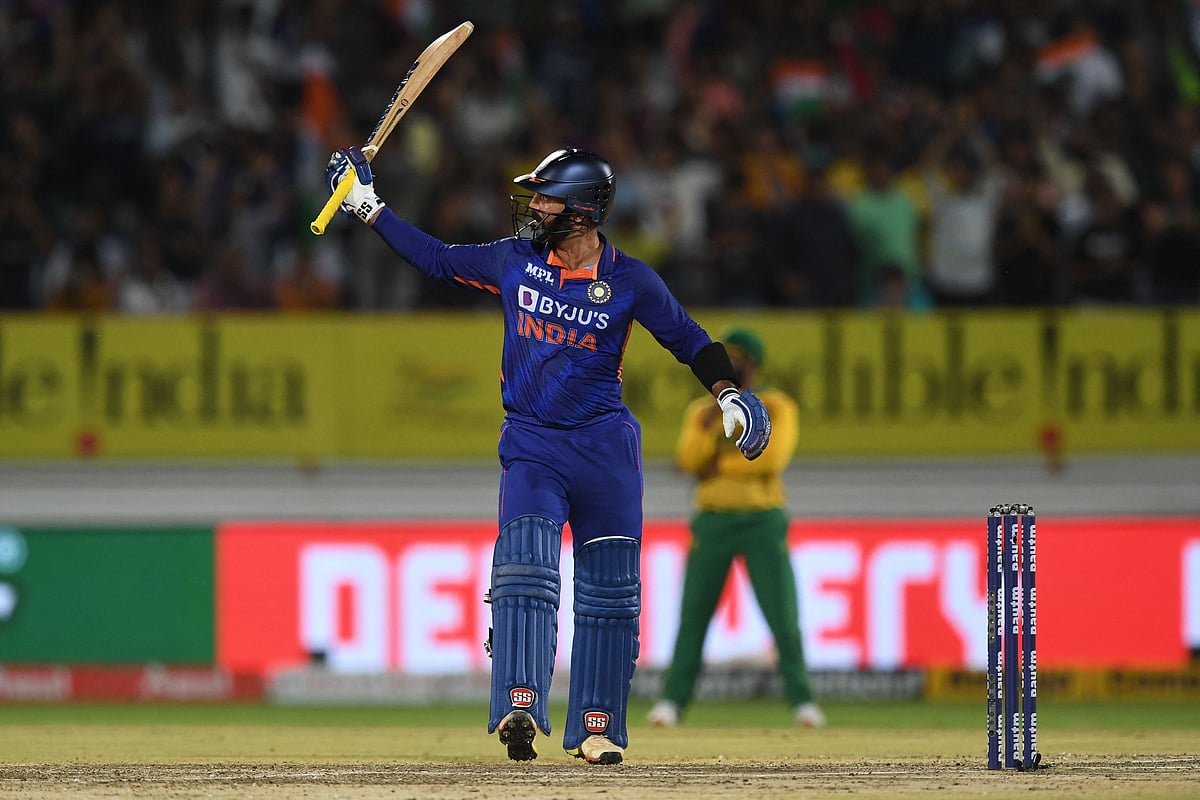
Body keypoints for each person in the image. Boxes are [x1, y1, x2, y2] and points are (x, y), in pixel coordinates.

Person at [324, 146, 772, 764]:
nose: (533, 208)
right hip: (534, 444)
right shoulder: (514, 262)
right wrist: (367, 207)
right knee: (524, 569)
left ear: (583, 211)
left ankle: (597, 728)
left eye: (545, 199)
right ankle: (520, 702)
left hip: (607, 453)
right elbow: (435, 259)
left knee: (610, 595)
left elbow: (690, 340)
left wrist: (730, 394)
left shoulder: (632, 281)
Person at [647, 327, 824, 729]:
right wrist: (708, 427)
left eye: (740, 357)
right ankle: (672, 702)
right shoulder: (701, 411)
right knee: (694, 616)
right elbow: (686, 458)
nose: (734, 364)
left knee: (782, 615)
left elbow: (768, 460)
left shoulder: (777, 406)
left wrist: (715, 466)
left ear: (754, 362)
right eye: (729, 358)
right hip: (712, 522)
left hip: (762, 520)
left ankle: (803, 702)